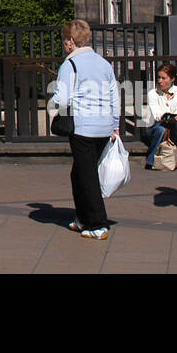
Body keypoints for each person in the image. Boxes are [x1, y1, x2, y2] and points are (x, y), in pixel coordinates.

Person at [52, 19, 120, 240]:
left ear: (71, 42)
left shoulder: (69, 65)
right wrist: (116, 125)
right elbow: (114, 96)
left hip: (83, 127)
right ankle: (82, 218)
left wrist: (53, 99)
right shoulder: (103, 64)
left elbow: (62, 99)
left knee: (87, 175)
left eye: (65, 40)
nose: (64, 44)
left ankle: (97, 223)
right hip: (104, 125)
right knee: (79, 173)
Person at [144, 62, 177, 170]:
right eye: (159, 78)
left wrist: (170, 118)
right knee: (161, 129)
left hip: (174, 124)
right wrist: (168, 118)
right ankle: (151, 161)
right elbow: (156, 114)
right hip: (157, 126)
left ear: (172, 79)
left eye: (164, 78)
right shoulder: (153, 93)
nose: (160, 81)